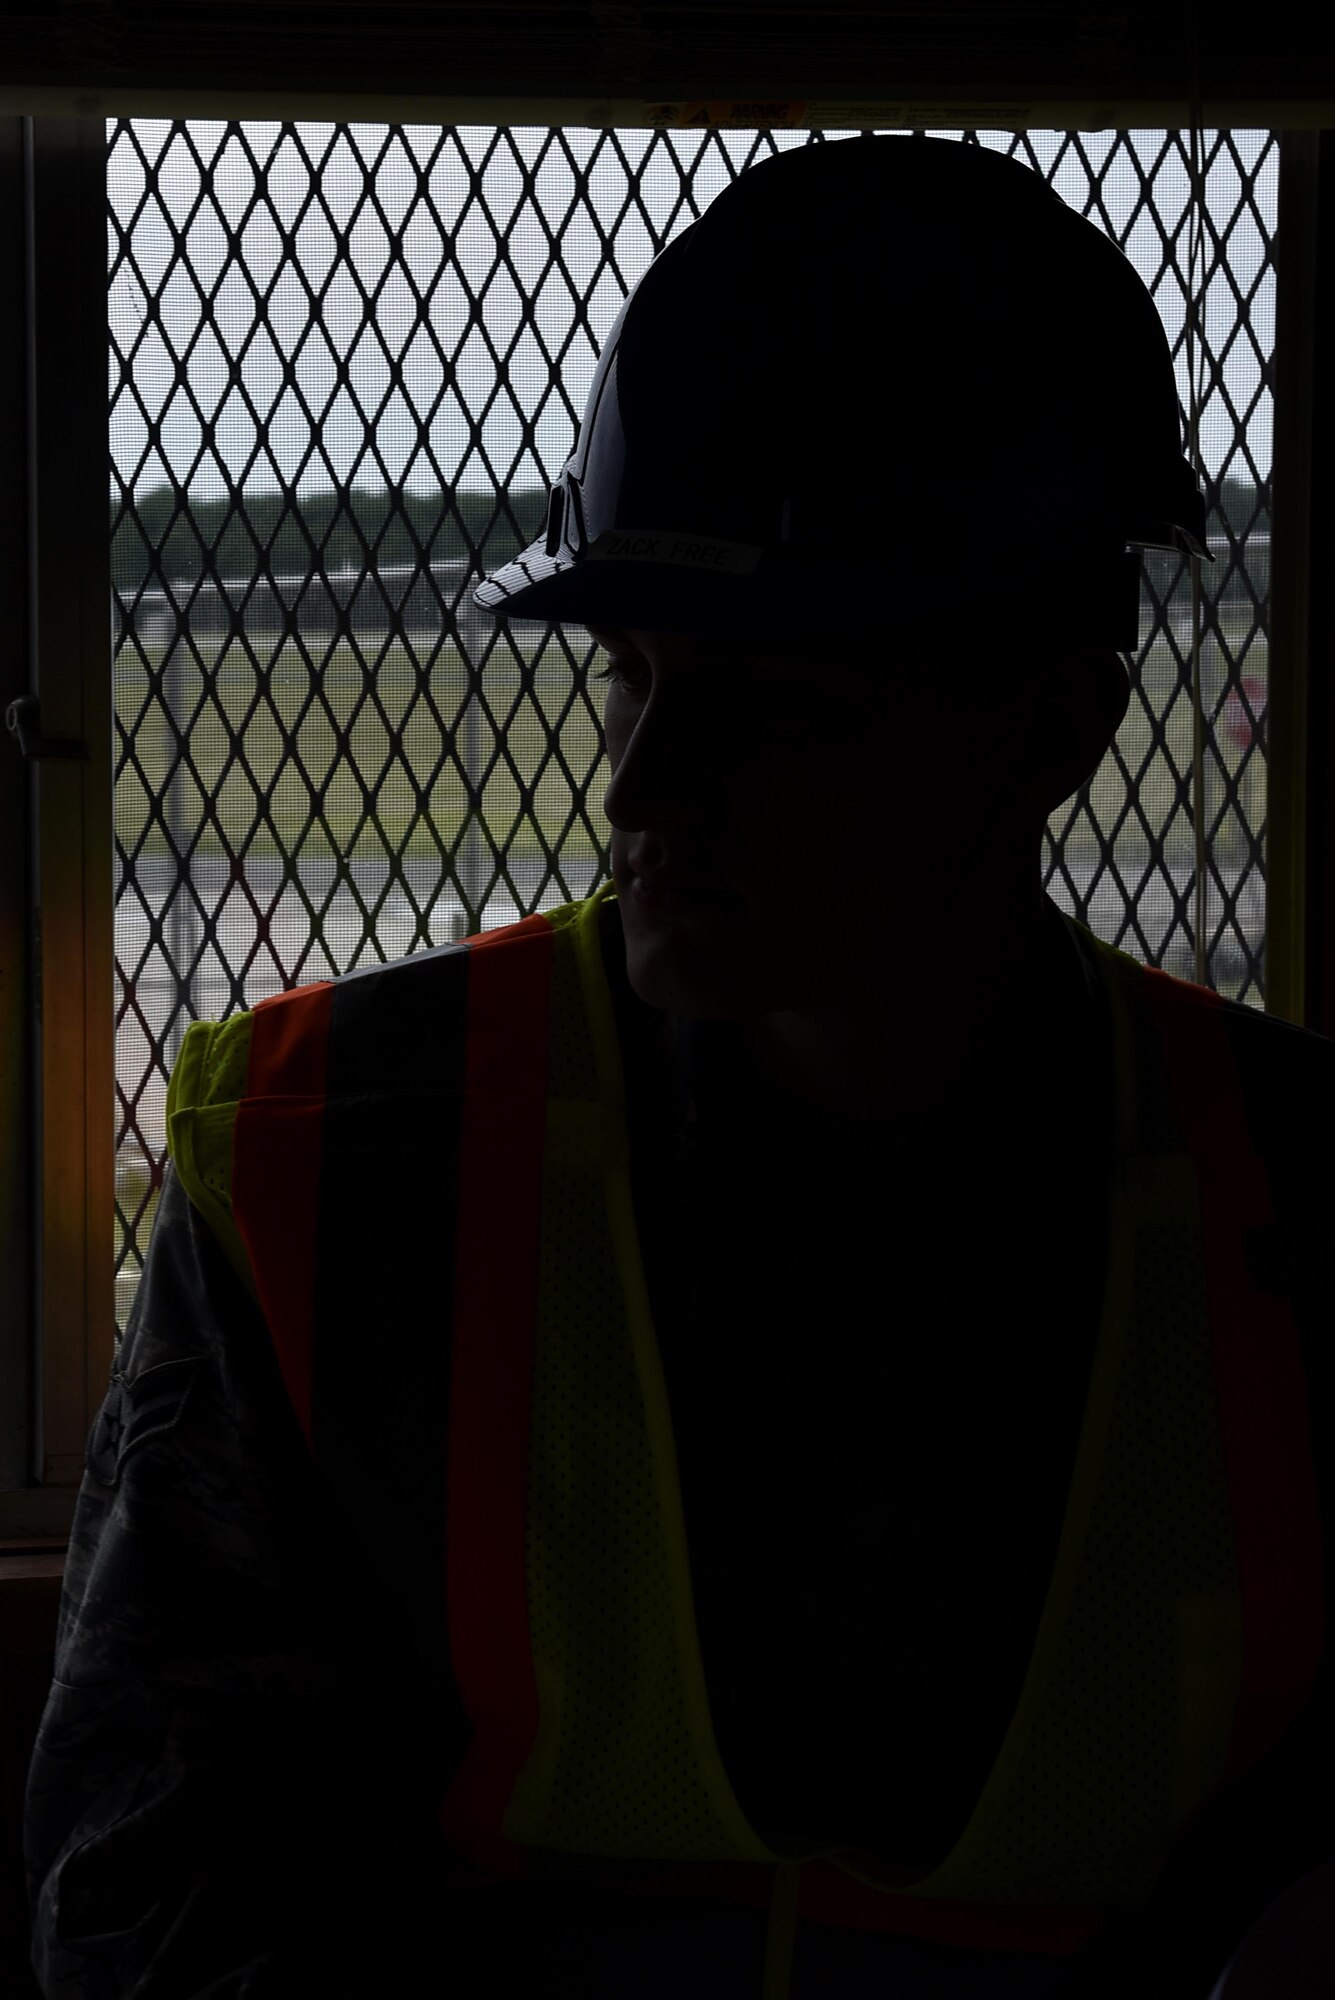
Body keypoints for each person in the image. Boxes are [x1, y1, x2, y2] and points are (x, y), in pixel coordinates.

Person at [23, 133, 1335, 1999]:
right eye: (631, 677)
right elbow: (147, 1910)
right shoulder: (342, 1172)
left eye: (771, 706)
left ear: (1058, 723)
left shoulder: (1302, 1208)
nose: (638, 791)